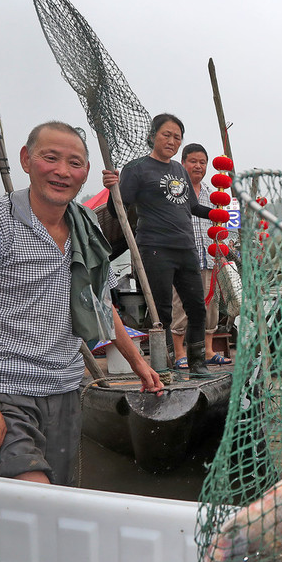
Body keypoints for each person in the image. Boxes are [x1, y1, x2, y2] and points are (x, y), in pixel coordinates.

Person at [0, 122, 163, 486]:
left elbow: (100, 305)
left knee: (61, 498)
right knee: (30, 497)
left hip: (64, 387)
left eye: (74, 163)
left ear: (85, 174)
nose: (62, 171)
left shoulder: (86, 224)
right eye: (51, 158)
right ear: (26, 160)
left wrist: (139, 364)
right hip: (3, 388)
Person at [103, 114, 214, 377]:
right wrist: (112, 189)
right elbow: (118, 208)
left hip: (186, 248)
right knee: (160, 310)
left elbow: (193, 207)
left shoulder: (179, 169)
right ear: (153, 135)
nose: (172, 141)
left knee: (197, 307)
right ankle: (163, 366)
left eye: (177, 136)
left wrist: (219, 215)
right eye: (167, 134)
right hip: (154, 248)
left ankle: (198, 364)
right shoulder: (137, 168)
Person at [170, 143, 231, 368]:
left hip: (209, 257)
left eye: (202, 162)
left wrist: (222, 253)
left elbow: (222, 226)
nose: (198, 166)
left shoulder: (213, 193)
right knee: (181, 305)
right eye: (193, 161)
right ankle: (179, 353)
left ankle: (207, 350)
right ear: (183, 163)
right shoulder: (175, 190)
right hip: (183, 258)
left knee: (210, 305)